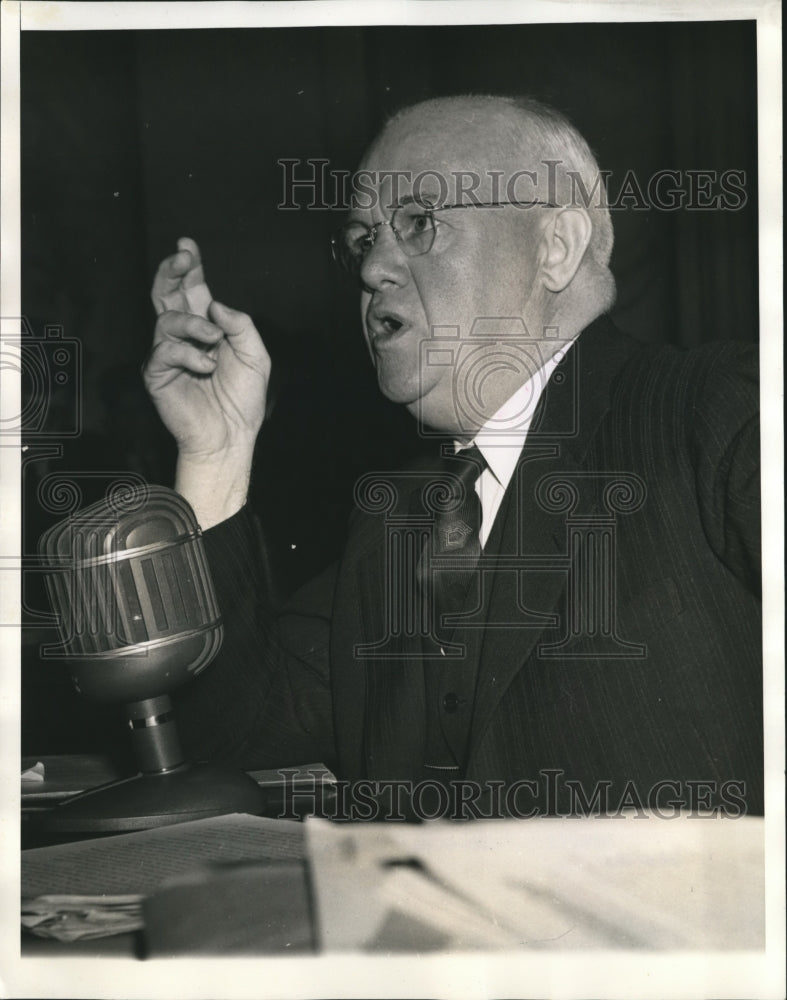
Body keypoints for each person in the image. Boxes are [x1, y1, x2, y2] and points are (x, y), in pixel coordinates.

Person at [143, 95, 761, 819]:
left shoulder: (720, 409)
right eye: (361, 238)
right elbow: (239, 736)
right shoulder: (397, 520)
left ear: (554, 247)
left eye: (418, 223)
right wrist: (216, 452)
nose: (373, 266)